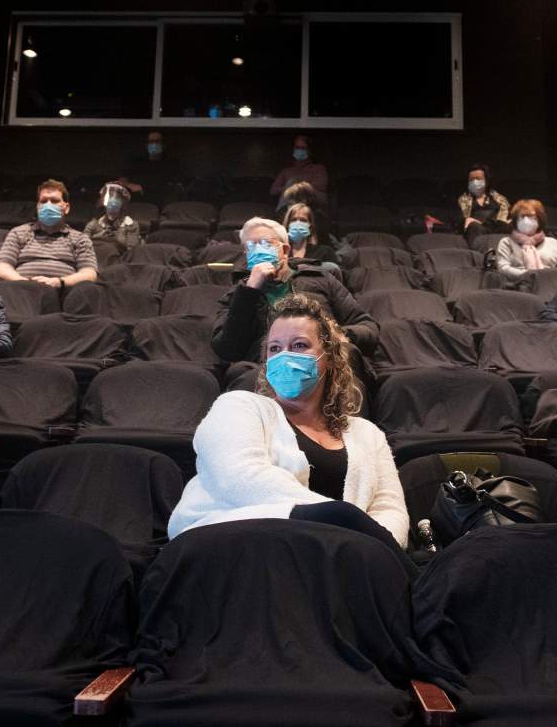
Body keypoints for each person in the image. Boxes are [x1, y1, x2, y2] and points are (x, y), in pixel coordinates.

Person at [169, 294, 409, 556]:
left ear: (328, 359)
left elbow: (389, 507)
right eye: (274, 348)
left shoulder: (367, 434)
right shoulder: (238, 407)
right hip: (239, 551)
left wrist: (372, 548)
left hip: (340, 560)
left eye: (299, 345)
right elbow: (239, 478)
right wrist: (341, 520)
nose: (284, 356)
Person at [212, 217, 377, 364]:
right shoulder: (237, 295)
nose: (257, 249)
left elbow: (368, 328)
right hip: (264, 371)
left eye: (265, 243)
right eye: (250, 246)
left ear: (284, 251)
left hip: (323, 363)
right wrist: (249, 292)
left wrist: (336, 335)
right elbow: (227, 350)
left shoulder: (321, 279)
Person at [0, 179, 99, 290]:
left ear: (66, 208)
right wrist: (23, 282)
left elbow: (89, 273)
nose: (48, 205)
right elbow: (1, 266)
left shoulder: (80, 238)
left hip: (63, 293)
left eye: (54, 201)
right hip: (21, 292)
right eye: (43, 201)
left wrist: (59, 282)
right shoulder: (18, 232)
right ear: (38, 206)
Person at [494, 198, 557, 284]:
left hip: (549, 285)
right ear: (515, 221)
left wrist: (545, 276)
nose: (526, 221)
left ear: (540, 220)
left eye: (531, 217)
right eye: (522, 217)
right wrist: (531, 275)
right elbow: (503, 269)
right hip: (517, 285)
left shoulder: (553, 243)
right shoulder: (506, 242)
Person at [270, 134, 328, 209]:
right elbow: (273, 190)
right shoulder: (286, 171)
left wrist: (297, 186)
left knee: (294, 183)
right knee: (291, 182)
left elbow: (320, 187)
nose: (299, 150)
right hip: (289, 204)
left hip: (313, 203)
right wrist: (289, 188)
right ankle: (285, 214)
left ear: (309, 151)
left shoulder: (318, 169)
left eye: (303, 148)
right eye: (297, 147)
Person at [457, 163, 511, 242]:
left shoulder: (500, 200)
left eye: (478, 179)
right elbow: (458, 222)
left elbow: (503, 220)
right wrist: (466, 220)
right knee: (474, 226)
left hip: (495, 231)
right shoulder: (462, 200)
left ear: (487, 181)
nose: (475, 182)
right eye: (471, 179)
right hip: (474, 232)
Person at [83, 181, 141, 254]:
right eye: (110, 205)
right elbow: (83, 247)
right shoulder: (93, 224)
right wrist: (99, 237)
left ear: (122, 207)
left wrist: (119, 239)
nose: (112, 209)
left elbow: (132, 252)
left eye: (116, 206)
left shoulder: (131, 225)